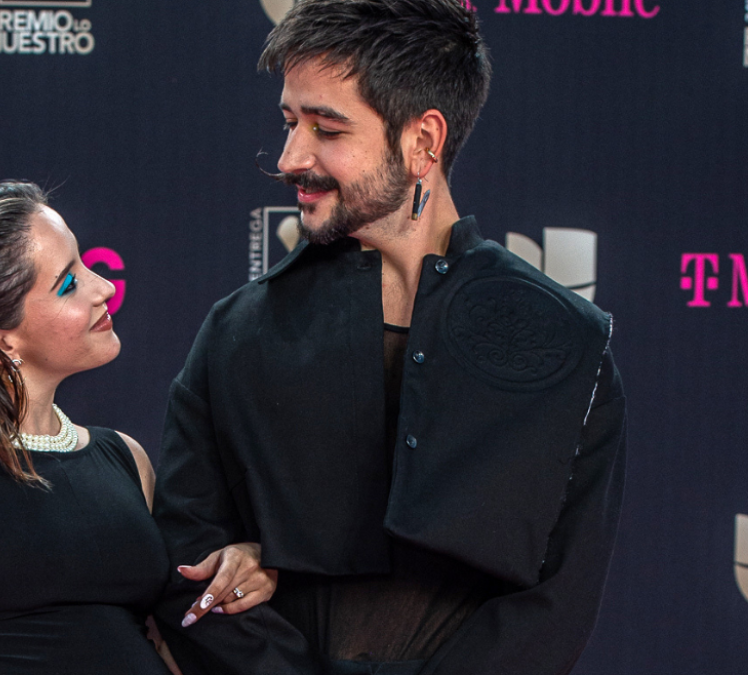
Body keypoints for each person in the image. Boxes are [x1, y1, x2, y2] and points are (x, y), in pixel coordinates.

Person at [151, 2, 627, 674]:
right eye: (290, 122)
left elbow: (555, 600)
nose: (291, 158)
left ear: (422, 142)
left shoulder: (566, 346)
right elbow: (186, 555)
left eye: (327, 128)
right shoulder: (240, 331)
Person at [0, 181, 277, 675]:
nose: (105, 287)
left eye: (85, 264)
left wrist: (241, 564)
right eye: (68, 283)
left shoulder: (125, 458)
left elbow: (165, 639)